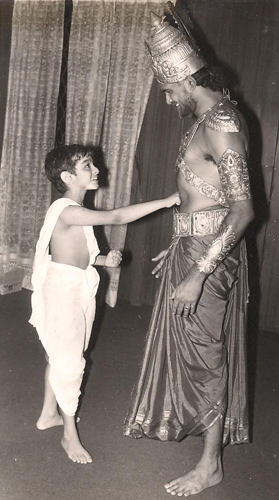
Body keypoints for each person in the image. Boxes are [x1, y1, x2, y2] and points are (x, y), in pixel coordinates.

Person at [123, 5, 254, 497]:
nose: (165, 94)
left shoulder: (220, 122)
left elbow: (242, 210)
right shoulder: (207, 117)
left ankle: (210, 466)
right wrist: (179, 241)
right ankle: (204, 443)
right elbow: (203, 197)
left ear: (183, 76)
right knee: (197, 352)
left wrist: (199, 271)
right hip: (194, 244)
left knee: (208, 355)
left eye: (167, 85)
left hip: (210, 256)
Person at [29, 144, 180, 465]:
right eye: (88, 166)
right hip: (64, 289)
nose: (97, 170)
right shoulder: (68, 209)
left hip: (77, 284)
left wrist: (101, 258)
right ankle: (69, 435)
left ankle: (47, 414)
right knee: (69, 360)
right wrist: (167, 202)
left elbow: (72, 253)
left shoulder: (74, 209)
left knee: (63, 354)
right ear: (68, 176)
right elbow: (117, 216)